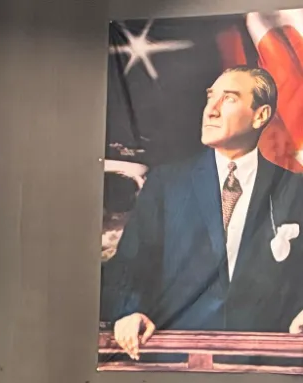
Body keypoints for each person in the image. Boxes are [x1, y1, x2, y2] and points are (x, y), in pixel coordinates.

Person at [106, 65, 303, 357]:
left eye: (229, 98)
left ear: (260, 115)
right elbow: (130, 264)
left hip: (267, 361)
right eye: (210, 97)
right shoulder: (166, 184)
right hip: (177, 358)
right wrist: (129, 312)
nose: (211, 110)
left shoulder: (295, 189)